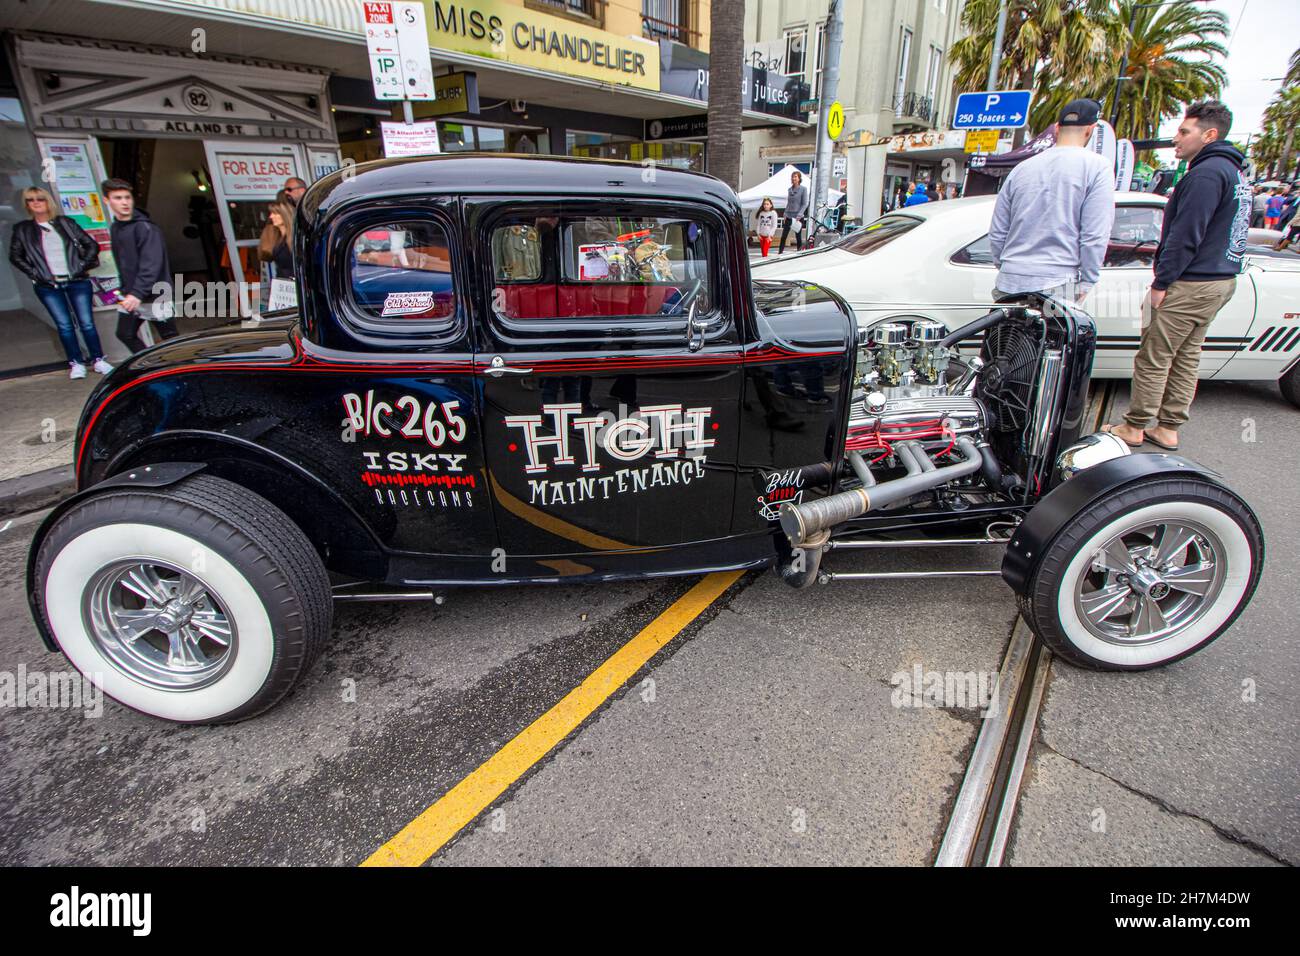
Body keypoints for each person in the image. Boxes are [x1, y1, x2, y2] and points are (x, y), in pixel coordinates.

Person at [1105, 100, 1249, 452]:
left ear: (1209, 134)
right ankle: (1168, 425)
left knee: (1154, 354)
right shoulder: (1234, 173)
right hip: (1219, 280)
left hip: (1189, 281)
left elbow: (1186, 235)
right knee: (1186, 355)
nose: (1176, 139)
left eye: (1185, 131)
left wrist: (1161, 283)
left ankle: (1135, 425)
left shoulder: (1205, 174)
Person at [988, 97, 1114, 304]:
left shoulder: (1022, 168)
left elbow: (998, 230)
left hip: (1010, 281)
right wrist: (1088, 280)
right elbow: (1094, 234)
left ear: (1057, 129)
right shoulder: (1097, 167)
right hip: (1057, 280)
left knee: (1005, 336)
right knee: (1053, 336)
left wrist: (1006, 265)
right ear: (1090, 130)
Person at [8, 186, 113, 379]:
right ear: (27, 204)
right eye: (31, 200)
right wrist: (36, 274)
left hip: (77, 281)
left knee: (87, 323)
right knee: (64, 325)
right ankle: (76, 363)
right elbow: (15, 256)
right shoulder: (23, 229)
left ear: (48, 201)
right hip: (48, 286)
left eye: (40, 198)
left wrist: (80, 267)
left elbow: (92, 245)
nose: (37, 202)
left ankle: (98, 360)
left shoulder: (65, 223)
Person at [101, 177, 179, 353]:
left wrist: (136, 293)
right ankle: (148, 366)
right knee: (124, 333)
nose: (124, 203)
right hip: (132, 294)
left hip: (154, 294)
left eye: (127, 197)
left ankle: (181, 370)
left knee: (171, 339)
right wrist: (127, 290)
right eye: (118, 198)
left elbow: (152, 263)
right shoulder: (116, 227)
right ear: (107, 200)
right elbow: (124, 263)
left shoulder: (145, 228)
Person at [260, 197, 296, 278]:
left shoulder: (294, 239)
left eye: (275, 213)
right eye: (271, 213)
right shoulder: (277, 237)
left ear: (285, 214)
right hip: (281, 283)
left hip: (293, 283)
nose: (271, 216)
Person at [778, 171, 808, 254]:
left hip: (798, 217)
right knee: (784, 236)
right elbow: (789, 203)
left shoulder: (803, 189)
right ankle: (780, 252)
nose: (794, 178)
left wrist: (799, 215)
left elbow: (804, 204)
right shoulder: (789, 189)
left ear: (799, 178)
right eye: (793, 177)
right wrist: (785, 213)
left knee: (798, 236)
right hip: (789, 216)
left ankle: (799, 252)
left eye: (795, 177)